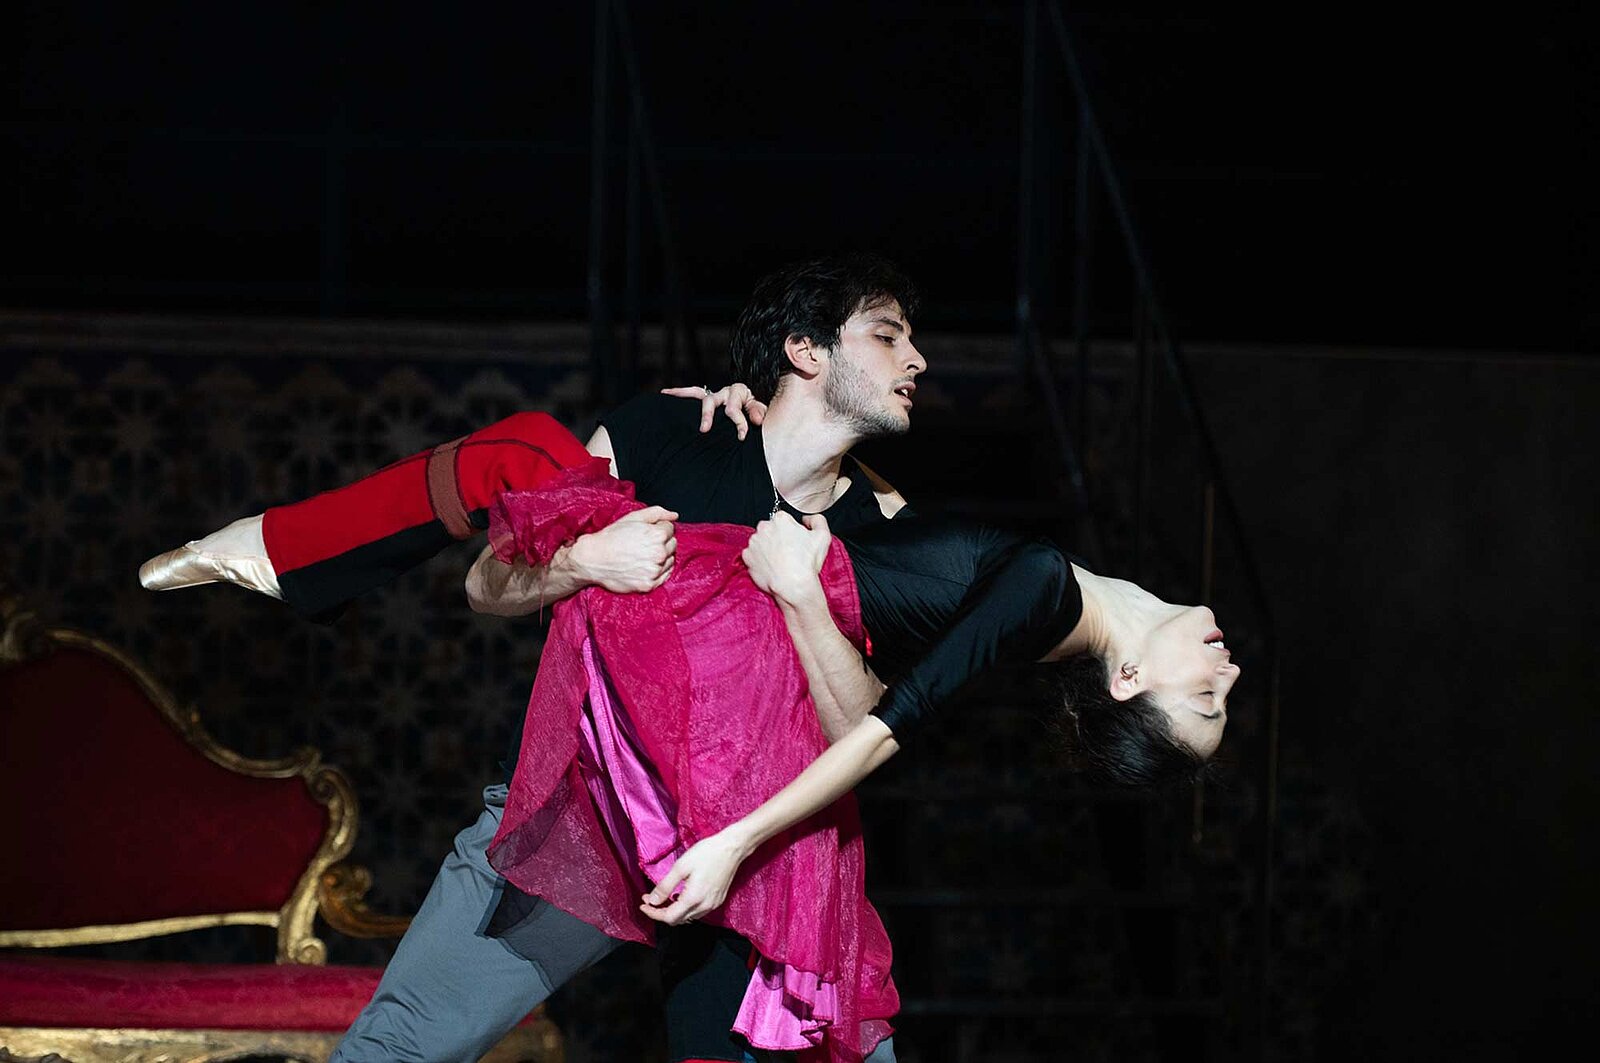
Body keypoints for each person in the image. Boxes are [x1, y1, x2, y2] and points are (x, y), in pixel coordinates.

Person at [141, 253, 925, 1063]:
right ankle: (282, 548)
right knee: (394, 1050)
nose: (917, 359)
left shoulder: (886, 524)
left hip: (763, 859)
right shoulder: (670, 431)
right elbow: (487, 582)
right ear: (805, 350)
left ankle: (282, 550)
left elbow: (864, 730)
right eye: (887, 335)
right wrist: (583, 563)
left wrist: (802, 596)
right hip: (583, 816)